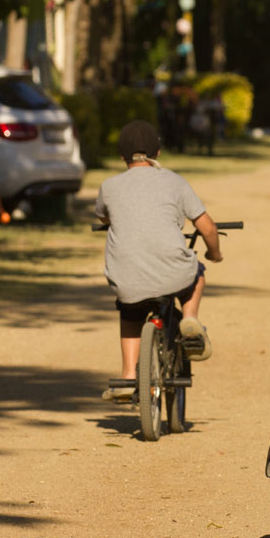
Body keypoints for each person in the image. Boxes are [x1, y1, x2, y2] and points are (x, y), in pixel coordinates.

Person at [96, 120, 223, 401]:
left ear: (121, 156)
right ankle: (189, 319)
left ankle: (128, 378)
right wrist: (215, 253)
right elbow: (208, 228)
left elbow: (103, 216)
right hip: (173, 271)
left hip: (126, 277)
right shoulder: (174, 181)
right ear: (159, 152)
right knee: (196, 271)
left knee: (129, 312)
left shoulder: (109, 186)